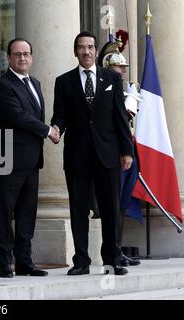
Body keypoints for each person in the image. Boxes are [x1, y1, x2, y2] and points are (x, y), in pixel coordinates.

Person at [51, 31, 134, 276]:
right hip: (77, 155)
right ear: (75, 51)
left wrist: (126, 151)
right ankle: (81, 261)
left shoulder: (112, 79)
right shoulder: (63, 81)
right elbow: (61, 115)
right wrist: (56, 129)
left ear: (96, 51)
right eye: (81, 47)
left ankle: (112, 259)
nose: (86, 51)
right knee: (78, 209)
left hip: (108, 154)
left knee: (110, 208)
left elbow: (120, 117)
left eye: (90, 47)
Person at [0, 38, 60, 278]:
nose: (22, 58)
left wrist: (53, 128)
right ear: (9, 57)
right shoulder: (3, 85)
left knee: (26, 214)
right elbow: (17, 116)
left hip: (31, 160)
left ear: (32, 57)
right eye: (17, 54)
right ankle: (4, 263)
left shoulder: (35, 83)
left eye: (26, 54)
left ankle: (24, 262)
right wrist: (47, 130)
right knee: (4, 212)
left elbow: (33, 114)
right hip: (8, 158)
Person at [98, 38, 141, 267]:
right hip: (113, 153)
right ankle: (111, 251)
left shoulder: (127, 89)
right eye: (118, 66)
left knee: (123, 202)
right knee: (112, 202)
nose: (123, 70)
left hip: (129, 151)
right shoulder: (105, 91)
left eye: (124, 67)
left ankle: (118, 249)